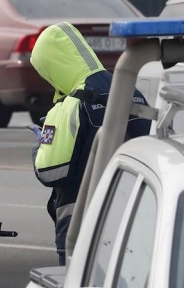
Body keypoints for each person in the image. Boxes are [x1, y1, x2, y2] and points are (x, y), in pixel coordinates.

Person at [29, 22, 151, 266]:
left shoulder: (70, 105)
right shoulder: (130, 89)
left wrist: (40, 145)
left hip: (80, 221)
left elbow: (51, 172)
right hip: (134, 215)